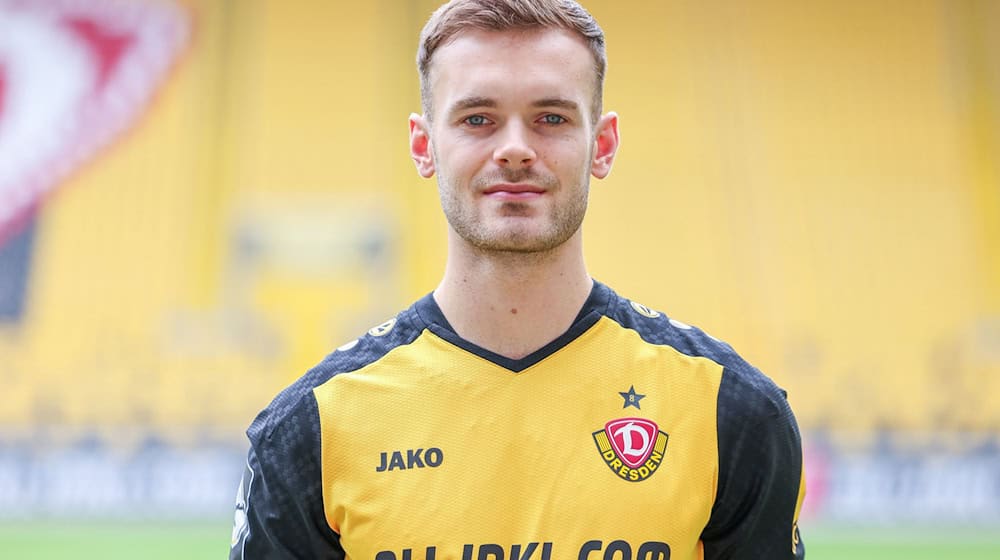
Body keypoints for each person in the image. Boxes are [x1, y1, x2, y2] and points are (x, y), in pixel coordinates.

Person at [230, 0, 806, 558]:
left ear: (601, 145)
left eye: (550, 118)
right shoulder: (314, 427)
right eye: (477, 119)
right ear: (424, 144)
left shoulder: (728, 412)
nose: (514, 149)